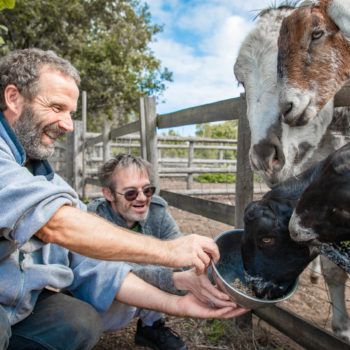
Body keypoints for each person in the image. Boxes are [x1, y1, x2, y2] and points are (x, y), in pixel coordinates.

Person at [0, 48, 247, 350]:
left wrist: (177, 304)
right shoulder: (82, 209)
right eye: (56, 107)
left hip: (17, 301)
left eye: (71, 113)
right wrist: (169, 253)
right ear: (13, 98)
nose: (68, 124)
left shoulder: (45, 175)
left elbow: (96, 267)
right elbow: (54, 224)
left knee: (79, 322)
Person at [88, 154, 234, 350]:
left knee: (165, 260)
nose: (142, 198)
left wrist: (220, 274)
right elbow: (111, 276)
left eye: (147, 190)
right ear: (108, 194)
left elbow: (181, 250)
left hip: (145, 295)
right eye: (130, 193)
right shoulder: (93, 220)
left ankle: (151, 326)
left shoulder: (156, 211)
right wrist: (177, 279)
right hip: (102, 305)